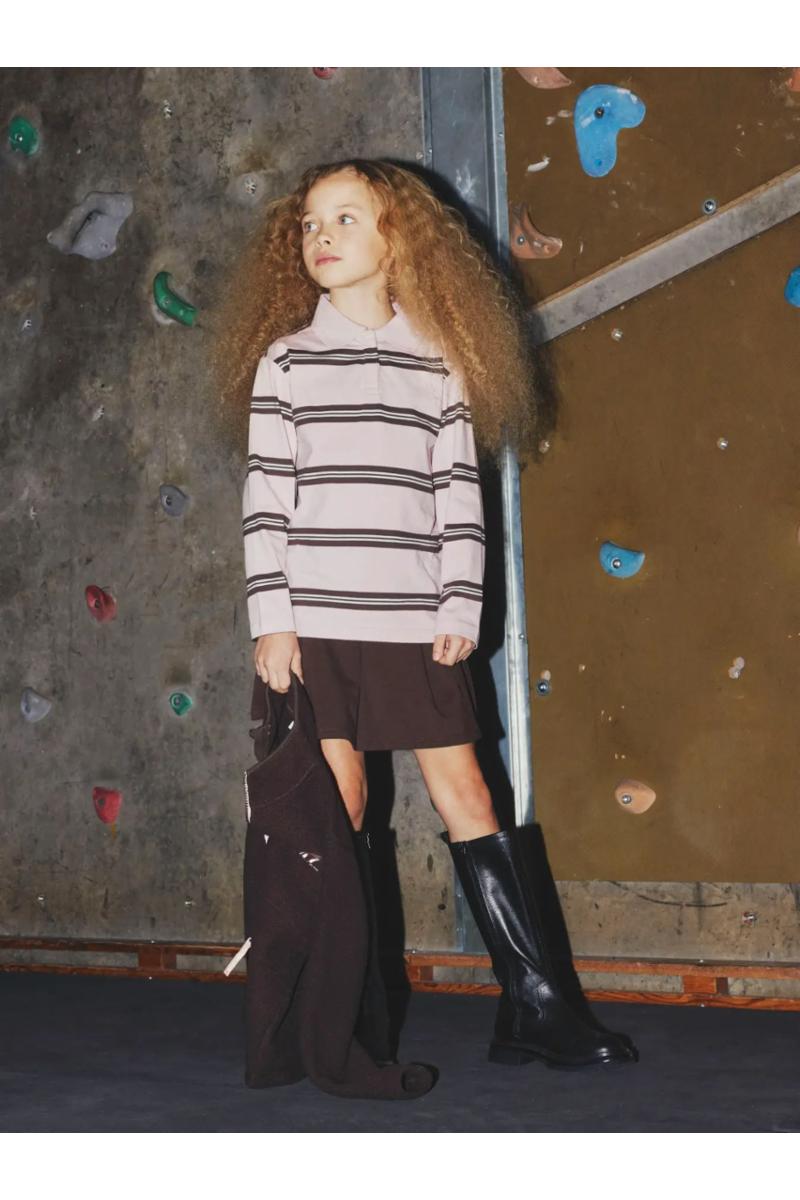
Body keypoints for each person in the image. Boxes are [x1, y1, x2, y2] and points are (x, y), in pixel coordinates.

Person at [212, 157, 638, 1071]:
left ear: (397, 236)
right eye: (309, 223)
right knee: (343, 807)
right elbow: (265, 503)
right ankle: (344, 1021)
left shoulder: (440, 363)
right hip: (320, 626)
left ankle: (536, 1007)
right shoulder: (287, 363)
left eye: (346, 218)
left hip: (415, 623)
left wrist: (459, 601)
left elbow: (457, 499)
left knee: (470, 796)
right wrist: (271, 618)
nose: (321, 236)